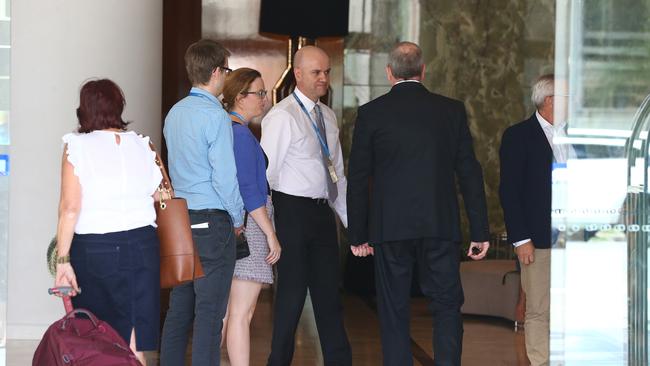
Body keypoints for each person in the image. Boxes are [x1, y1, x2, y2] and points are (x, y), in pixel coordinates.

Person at [346, 41, 490, 366]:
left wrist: (357, 235)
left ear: (389, 73)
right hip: (440, 226)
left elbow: (357, 177)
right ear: (423, 71)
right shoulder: (451, 110)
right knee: (447, 305)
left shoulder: (371, 113)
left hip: (390, 228)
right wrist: (480, 230)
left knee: (393, 309)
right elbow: (469, 172)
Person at [55, 79, 162, 365]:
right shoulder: (142, 145)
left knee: (99, 340)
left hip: (97, 249)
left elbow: (70, 208)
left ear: (85, 109)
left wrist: (62, 260)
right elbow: (159, 194)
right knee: (134, 343)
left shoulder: (77, 146)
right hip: (144, 246)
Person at [261, 45, 352, 366]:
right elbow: (266, 175)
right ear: (297, 74)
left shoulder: (327, 115)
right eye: (316, 72)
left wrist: (353, 226)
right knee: (291, 297)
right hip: (291, 213)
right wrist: (268, 229)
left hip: (321, 215)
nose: (324, 78)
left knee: (330, 297)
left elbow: (337, 175)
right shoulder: (282, 116)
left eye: (327, 72)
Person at [160, 39, 244, 366]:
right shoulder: (216, 117)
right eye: (226, 69)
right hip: (212, 220)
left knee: (179, 309)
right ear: (215, 72)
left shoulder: (175, 113)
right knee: (209, 314)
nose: (226, 75)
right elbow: (224, 177)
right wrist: (237, 218)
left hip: (180, 219)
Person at [499, 74, 572, 366]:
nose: (574, 102)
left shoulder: (577, 134)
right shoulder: (518, 136)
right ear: (550, 101)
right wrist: (521, 239)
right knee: (539, 309)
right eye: (568, 97)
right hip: (537, 241)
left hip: (574, 240)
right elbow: (510, 192)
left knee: (570, 308)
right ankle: (541, 362)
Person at [221, 67, 282, 366]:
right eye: (259, 93)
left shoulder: (229, 130)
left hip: (240, 223)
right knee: (241, 313)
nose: (265, 99)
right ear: (239, 97)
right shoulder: (240, 135)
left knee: (231, 311)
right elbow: (250, 190)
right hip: (252, 224)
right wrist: (271, 234)